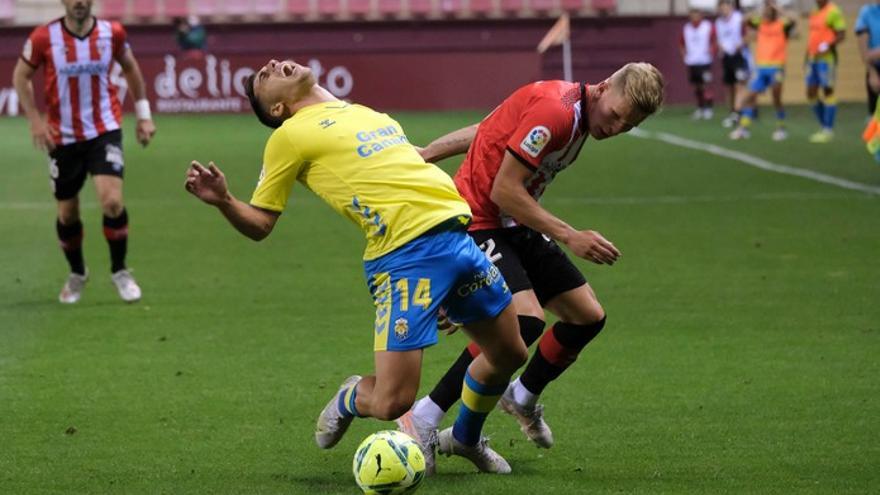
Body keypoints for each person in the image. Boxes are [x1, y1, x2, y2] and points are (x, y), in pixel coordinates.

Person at [184, 58, 529, 474]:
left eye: (271, 64)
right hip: (405, 257)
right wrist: (224, 200)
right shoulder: (288, 137)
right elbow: (261, 224)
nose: (273, 64)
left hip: (457, 238)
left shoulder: (364, 113)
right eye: (264, 76)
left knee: (510, 351)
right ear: (276, 110)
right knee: (391, 402)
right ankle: (351, 395)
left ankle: (465, 438)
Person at [396, 63, 666, 475]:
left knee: (587, 316)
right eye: (615, 115)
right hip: (478, 218)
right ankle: (425, 416)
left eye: (628, 125)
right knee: (523, 323)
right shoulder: (556, 112)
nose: (615, 128)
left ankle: (520, 397)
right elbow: (502, 188)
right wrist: (570, 235)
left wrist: (430, 151)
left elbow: (489, 129)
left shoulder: (579, 114)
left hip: (513, 222)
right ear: (605, 85)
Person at [12, 0, 156, 304]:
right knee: (67, 214)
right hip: (62, 138)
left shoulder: (112, 33)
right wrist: (35, 121)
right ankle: (77, 273)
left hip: (104, 131)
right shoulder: (43, 37)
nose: (79, 2)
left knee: (113, 202)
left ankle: (120, 271)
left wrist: (143, 115)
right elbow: (20, 76)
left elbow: (131, 69)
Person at [729, 0, 795, 141]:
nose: (768, 10)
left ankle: (781, 128)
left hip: (776, 67)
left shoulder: (782, 24)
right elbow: (743, 20)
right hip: (761, 68)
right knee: (749, 98)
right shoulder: (760, 23)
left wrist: (776, 7)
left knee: (776, 98)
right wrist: (761, 9)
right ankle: (743, 129)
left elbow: (793, 19)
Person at [804, 0, 847, 144]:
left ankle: (828, 129)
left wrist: (828, 44)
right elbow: (812, 36)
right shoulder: (815, 12)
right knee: (810, 92)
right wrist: (806, 57)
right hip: (813, 58)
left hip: (827, 59)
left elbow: (841, 34)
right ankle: (824, 126)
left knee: (828, 90)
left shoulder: (833, 11)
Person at [715, 0, 750, 128]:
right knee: (729, 86)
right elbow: (719, 39)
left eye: (724, 6)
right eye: (721, 7)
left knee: (739, 85)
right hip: (726, 57)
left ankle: (737, 112)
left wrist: (740, 44)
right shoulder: (719, 22)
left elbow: (748, 34)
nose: (723, 9)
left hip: (738, 56)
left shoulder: (739, 18)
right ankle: (732, 112)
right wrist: (721, 47)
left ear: (730, 6)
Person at [680, 8, 717, 120]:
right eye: (692, 15)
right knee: (697, 86)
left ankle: (709, 108)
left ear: (701, 16)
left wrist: (712, 52)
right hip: (692, 61)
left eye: (696, 15)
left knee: (706, 85)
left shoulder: (707, 26)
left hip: (705, 61)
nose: (694, 18)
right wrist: (684, 55)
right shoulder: (687, 28)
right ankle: (700, 107)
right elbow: (681, 43)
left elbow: (714, 40)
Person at [855, 1, 880, 117]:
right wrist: (872, 72)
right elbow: (863, 47)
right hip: (875, 66)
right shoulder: (867, 12)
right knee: (874, 113)